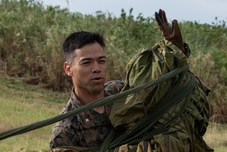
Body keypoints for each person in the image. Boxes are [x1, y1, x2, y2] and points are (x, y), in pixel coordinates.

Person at [49, 9, 213, 152]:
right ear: (68, 69)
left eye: (101, 61)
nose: (96, 68)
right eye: (87, 62)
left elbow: (161, 87)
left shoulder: (120, 92)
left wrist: (175, 50)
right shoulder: (66, 130)